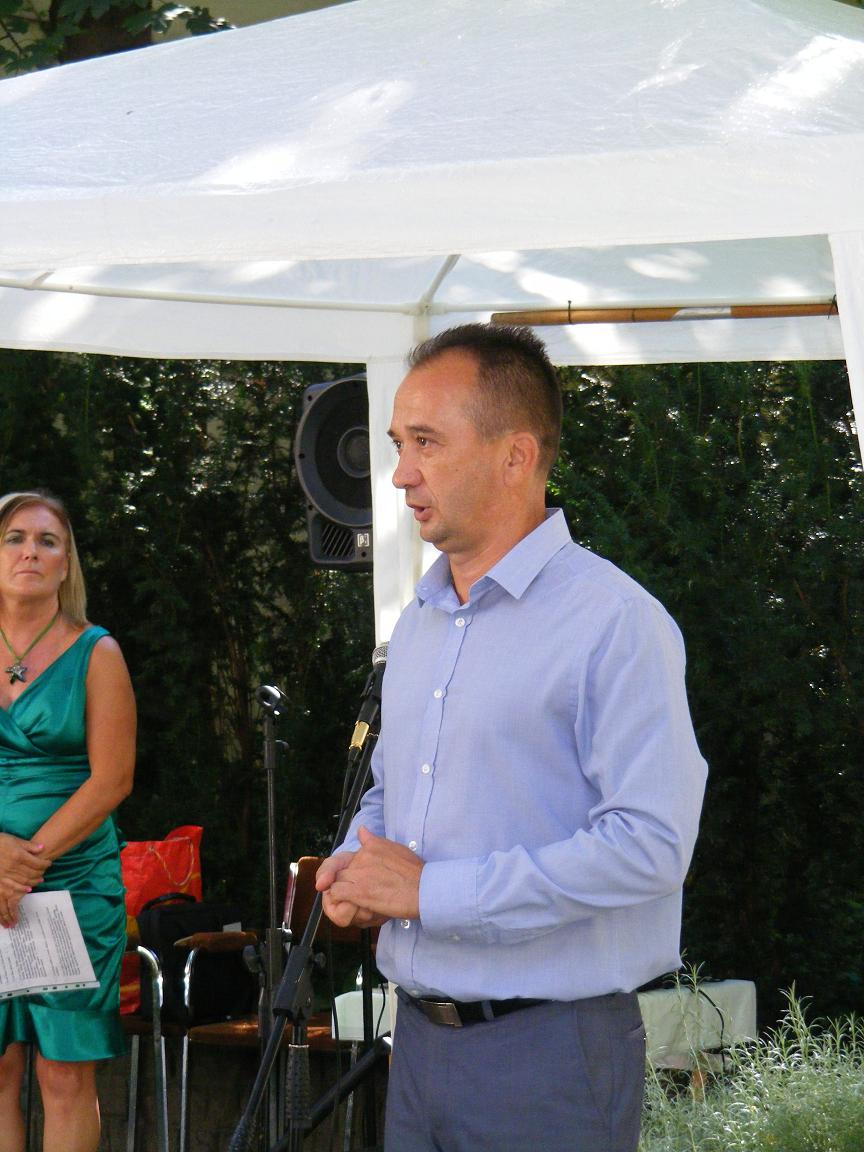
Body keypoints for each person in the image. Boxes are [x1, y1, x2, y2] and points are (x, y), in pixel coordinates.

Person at [316, 324, 708, 1152]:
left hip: (551, 1053)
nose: (401, 473)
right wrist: (358, 860)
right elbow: (390, 793)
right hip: (417, 1046)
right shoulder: (417, 623)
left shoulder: (614, 622)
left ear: (515, 456)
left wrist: (432, 893)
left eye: (426, 442)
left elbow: (651, 845)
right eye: (398, 443)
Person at [0, 491, 135, 1152]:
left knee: (63, 1074)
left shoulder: (96, 652)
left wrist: (21, 863)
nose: (30, 551)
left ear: (65, 564)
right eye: (14, 537)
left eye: (46, 541)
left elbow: (112, 779)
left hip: (72, 886)